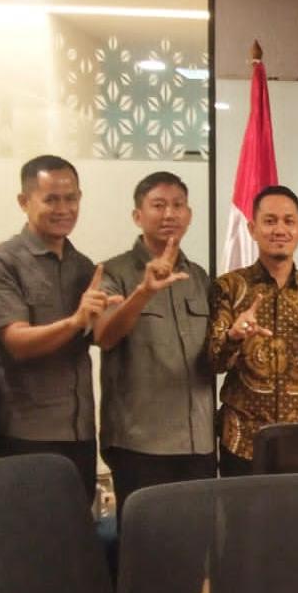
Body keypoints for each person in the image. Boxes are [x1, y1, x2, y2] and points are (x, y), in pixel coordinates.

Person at [0, 155, 114, 504]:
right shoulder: (1, 263)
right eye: (51, 199)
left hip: (80, 434)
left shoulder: (83, 266)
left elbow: (103, 337)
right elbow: (17, 343)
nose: (63, 209)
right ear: (24, 202)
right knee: (22, 534)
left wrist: (143, 292)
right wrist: (75, 321)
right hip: (23, 435)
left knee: (74, 533)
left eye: (71, 198)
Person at [93, 172, 215, 523]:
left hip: (199, 442)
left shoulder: (199, 276)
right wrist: (144, 292)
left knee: (196, 544)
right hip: (140, 443)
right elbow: (104, 336)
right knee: (145, 544)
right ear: (137, 215)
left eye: (178, 205)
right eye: (158, 205)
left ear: (189, 215)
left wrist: (235, 337)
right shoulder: (112, 272)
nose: (169, 214)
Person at [208, 185, 298, 476]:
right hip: (242, 440)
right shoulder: (228, 287)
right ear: (252, 229)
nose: (280, 229)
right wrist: (233, 337)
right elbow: (213, 363)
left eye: (288, 221)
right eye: (269, 221)